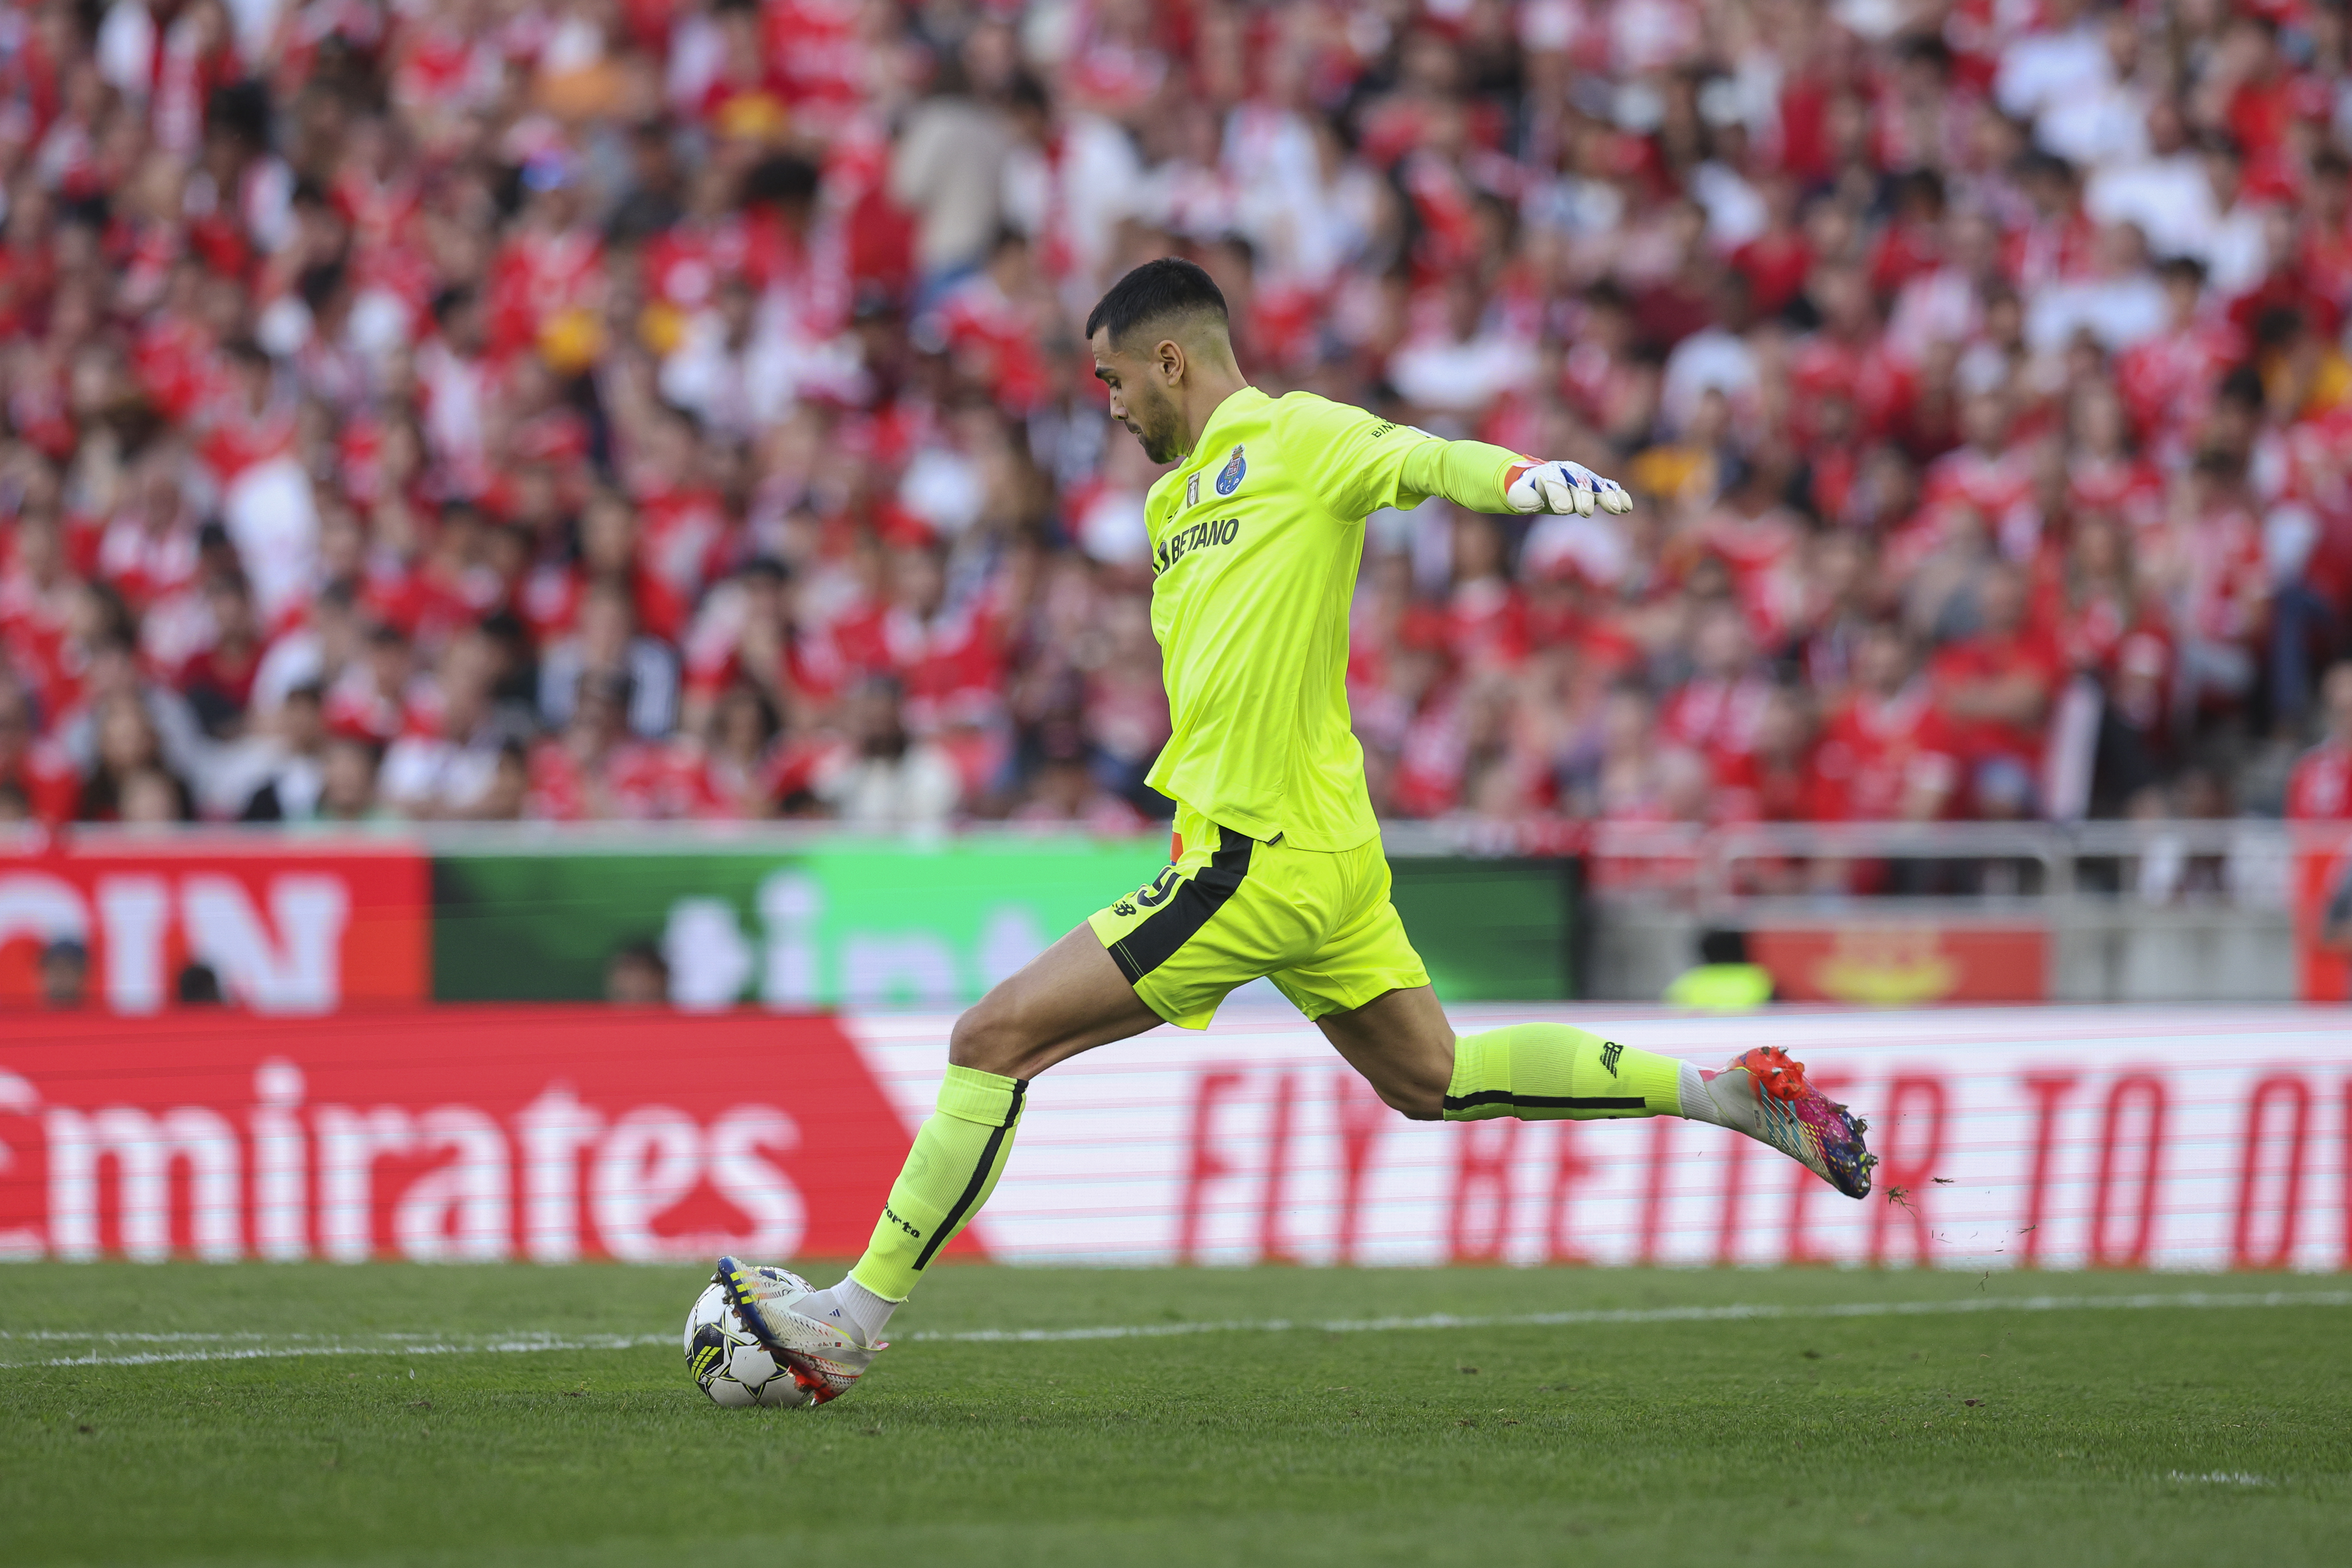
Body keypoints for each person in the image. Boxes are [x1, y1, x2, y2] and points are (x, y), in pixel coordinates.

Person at [712, 258, 1877, 1405]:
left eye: (1115, 380)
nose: (1110, 407)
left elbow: (1425, 458)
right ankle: (1727, 1094)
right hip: (1320, 854)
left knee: (991, 1038)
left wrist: (1522, 479)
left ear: (1172, 361)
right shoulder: (1169, 503)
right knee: (1435, 1077)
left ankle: (848, 1321)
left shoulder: (1299, 434)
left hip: (1256, 856)